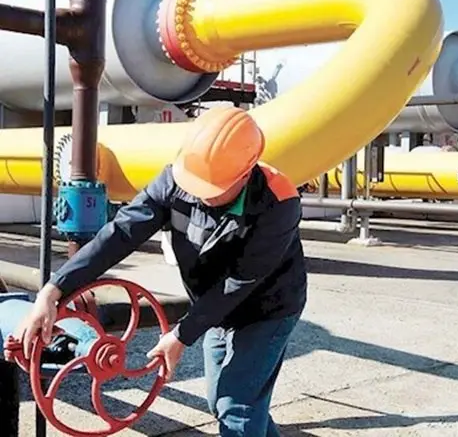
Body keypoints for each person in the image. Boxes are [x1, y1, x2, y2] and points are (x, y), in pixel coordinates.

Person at [14, 106, 308, 436]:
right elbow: (120, 234)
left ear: (245, 174)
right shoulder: (176, 181)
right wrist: (54, 289)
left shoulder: (278, 202)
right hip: (213, 308)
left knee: (236, 405)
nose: (199, 194)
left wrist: (181, 335)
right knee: (226, 402)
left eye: (211, 189)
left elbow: (239, 282)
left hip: (267, 308)